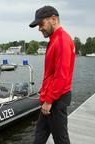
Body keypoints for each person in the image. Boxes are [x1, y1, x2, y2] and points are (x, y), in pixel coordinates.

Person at [29, 5, 76, 144]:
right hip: (51, 96)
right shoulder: (54, 39)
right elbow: (51, 72)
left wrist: (49, 100)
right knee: (39, 135)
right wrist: (45, 92)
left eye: (41, 24)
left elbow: (62, 75)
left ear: (54, 19)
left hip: (56, 99)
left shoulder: (61, 40)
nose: (39, 28)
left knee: (61, 139)